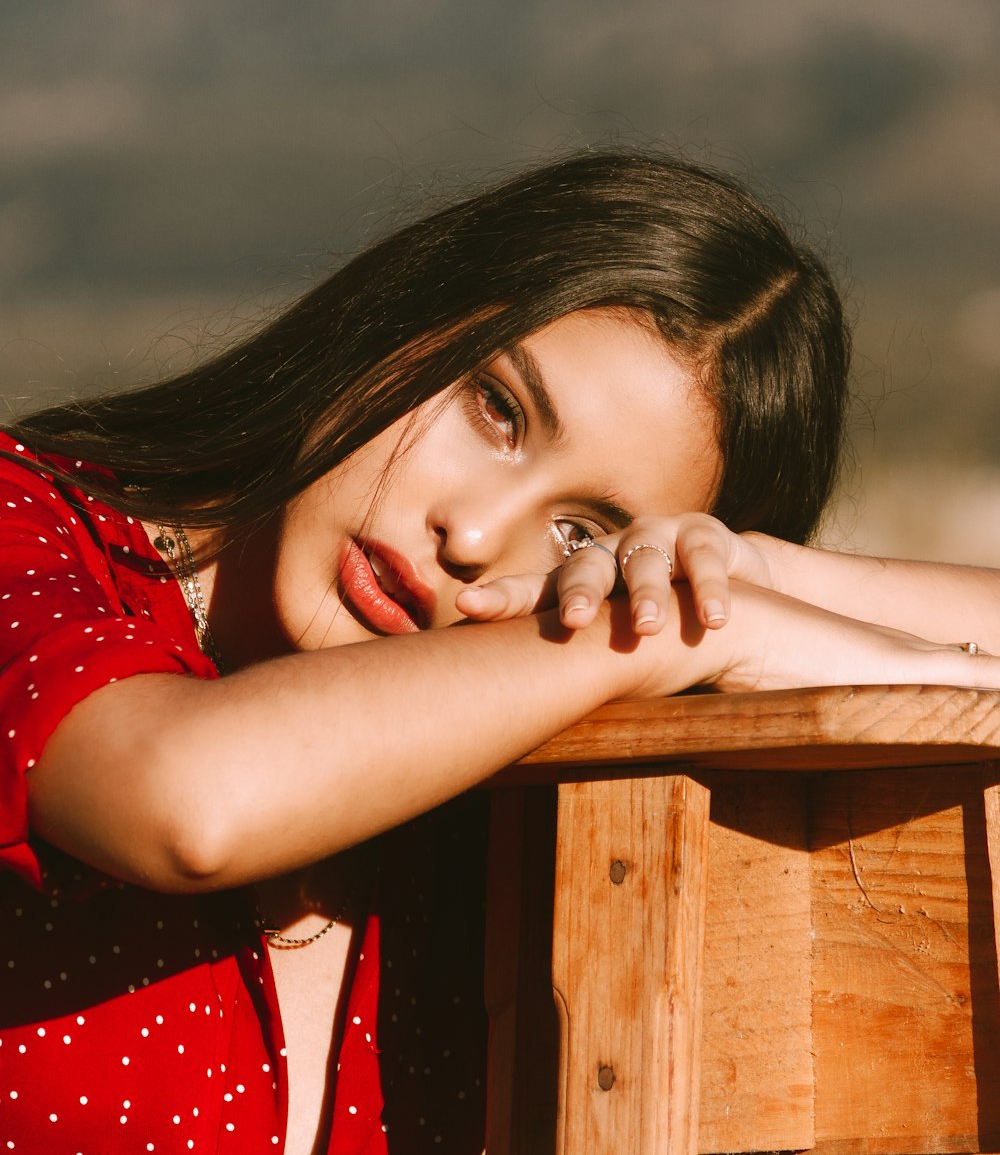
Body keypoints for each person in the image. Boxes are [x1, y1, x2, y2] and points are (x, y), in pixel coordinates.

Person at [2, 149, 998, 1155]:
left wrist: (755, 579)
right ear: (405, 317)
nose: (474, 537)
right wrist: (672, 632)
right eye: (498, 409)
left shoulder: (513, 754)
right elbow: (183, 801)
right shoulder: (26, 525)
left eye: (584, 535)